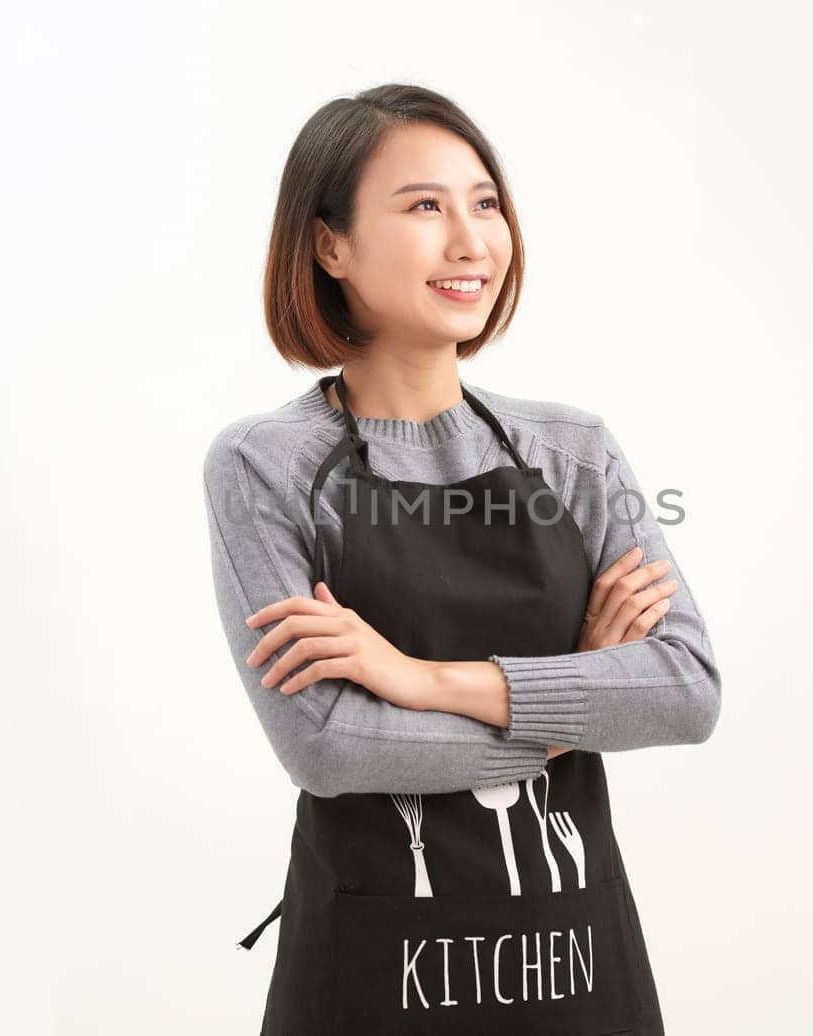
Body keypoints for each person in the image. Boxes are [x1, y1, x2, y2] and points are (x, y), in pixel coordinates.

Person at [203, 83, 721, 1035]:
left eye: (485, 203)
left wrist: (416, 678)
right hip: (372, 978)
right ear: (330, 246)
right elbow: (327, 745)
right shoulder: (265, 464)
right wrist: (576, 706)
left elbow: (685, 689)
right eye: (424, 206)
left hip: (576, 968)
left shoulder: (575, 450)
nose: (471, 240)